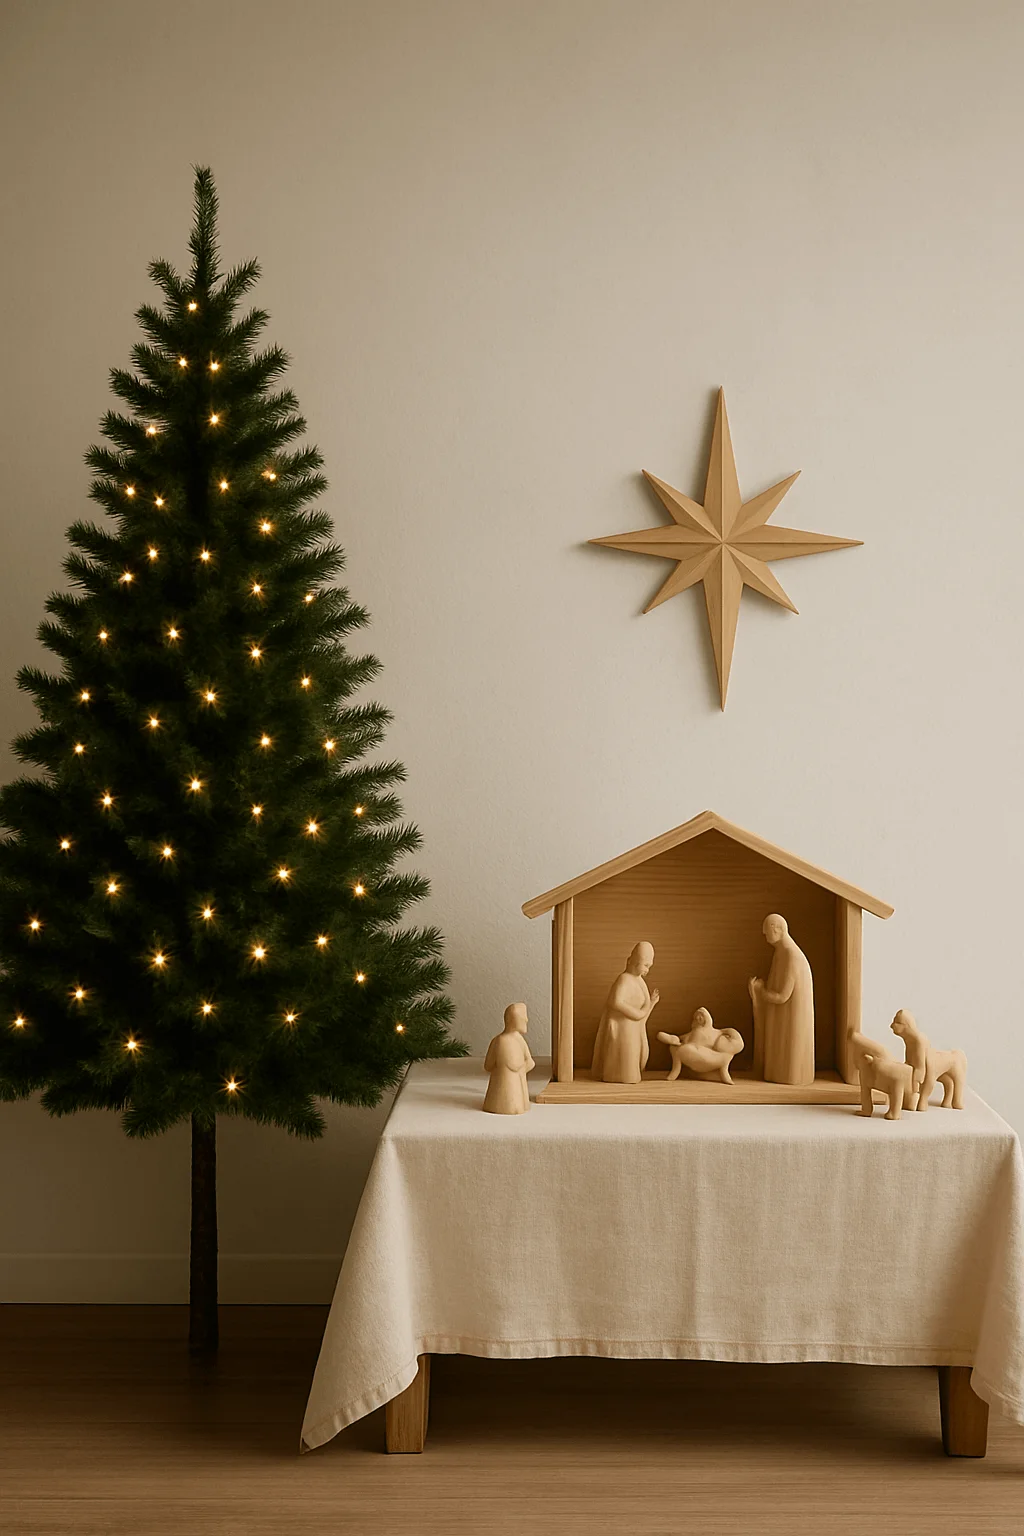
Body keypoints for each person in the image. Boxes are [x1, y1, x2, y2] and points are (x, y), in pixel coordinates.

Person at [748, 914, 814, 1085]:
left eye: (766, 933)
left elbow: (783, 996)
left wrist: (761, 991)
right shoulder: (781, 952)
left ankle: (790, 1076)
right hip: (785, 1018)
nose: (765, 937)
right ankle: (779, 1073)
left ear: (776, 929)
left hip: (793, 1019)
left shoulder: (792, 956)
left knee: (789, 1049)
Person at [590, 942, 660, 1084]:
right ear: (635, 962)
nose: (647, 970)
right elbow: (615, 1001)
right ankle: (618, 1077)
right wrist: (637, 1014)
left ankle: (626, 1077)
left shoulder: (639, 980)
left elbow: (644, 1007)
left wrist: (651, 1003)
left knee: (635, 1056)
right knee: (625, 1057)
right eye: (646, 965)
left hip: (633, 1029)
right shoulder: (624, 979)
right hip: (624, 1028)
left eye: (649, 966)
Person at [483, 1002, 535, 1114]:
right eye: (523, 1017)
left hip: (516, 1093)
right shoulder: (503, 1041)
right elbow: (488, 1066)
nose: (526, 1020)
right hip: (503, 1094)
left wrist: (519, 1071)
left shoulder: (510, 1040)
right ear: (515, 1020)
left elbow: (488, 1066)